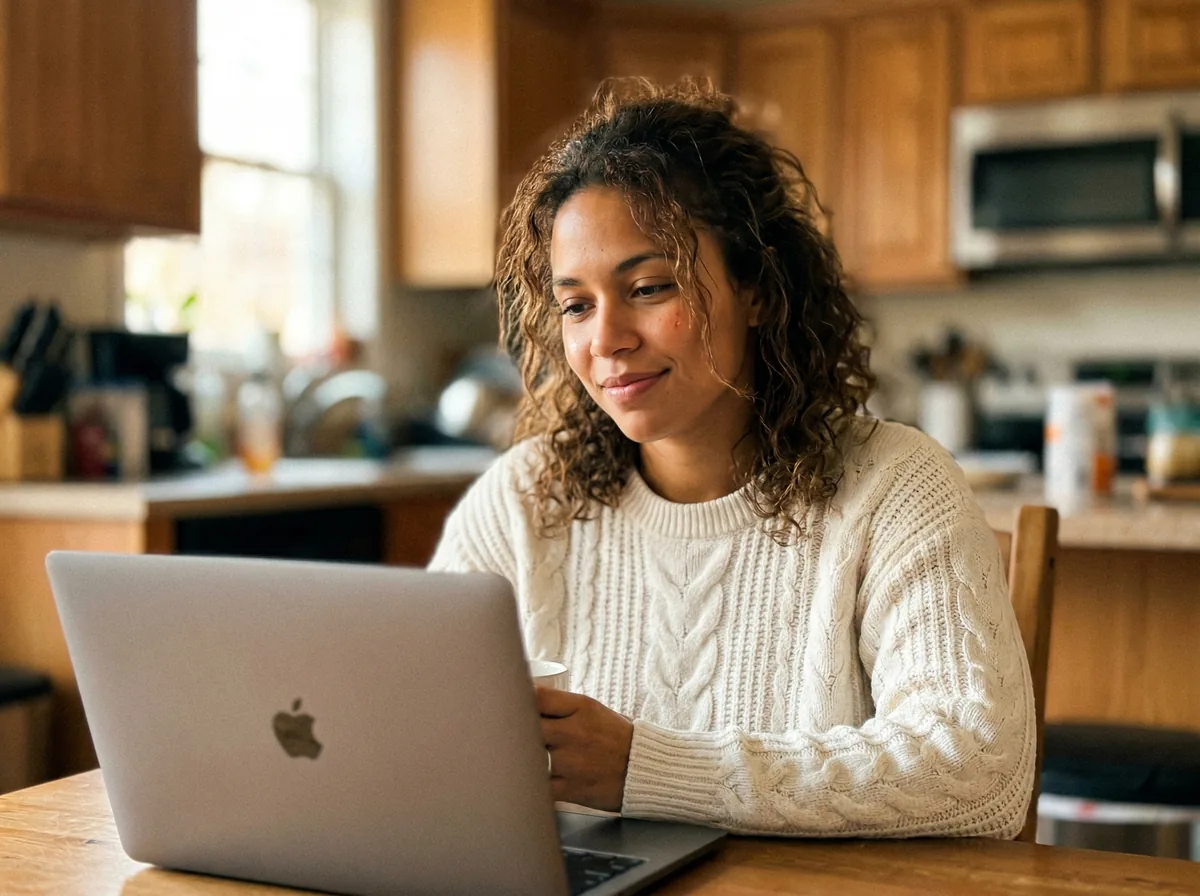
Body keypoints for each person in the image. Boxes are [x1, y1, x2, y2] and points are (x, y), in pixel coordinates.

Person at [428, 79, 1034, 839]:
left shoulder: (893, 487)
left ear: (757, 289)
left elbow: (979, 770)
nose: (605, 338)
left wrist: (648, 769)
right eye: (576, 304)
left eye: (648, 287)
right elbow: (414, 729)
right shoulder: (523, 497)